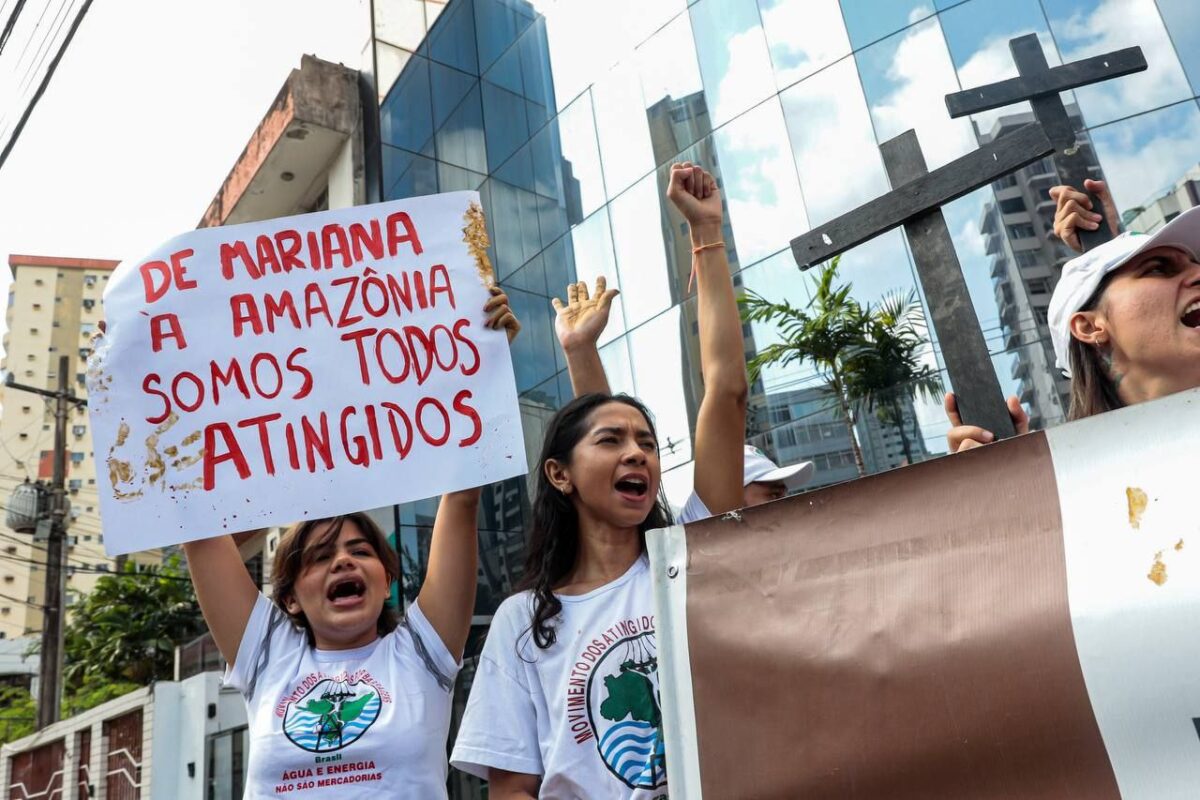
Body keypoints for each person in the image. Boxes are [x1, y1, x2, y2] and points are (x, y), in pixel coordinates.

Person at [450, 163, 748, 798]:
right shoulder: (520, 622)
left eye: (646, 442)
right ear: (558, 475)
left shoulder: (691, 557)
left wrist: (708, 236)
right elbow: (512, 788)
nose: (636, 454)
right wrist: (578, 358)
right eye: (613, 442)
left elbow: (725, 390)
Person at [176, 286, 520, 798]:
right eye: (319, 557)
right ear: (289, 596)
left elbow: (463, 498)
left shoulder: (421, 653)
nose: (342, 562)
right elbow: (199, 530)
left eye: (360, 552)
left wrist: (486, 361)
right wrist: (140, 377)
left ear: (388, 579)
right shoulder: (269, 657)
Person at [945, 182, 1200, 451]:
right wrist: (1012, 481)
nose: (1197, 274)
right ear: (1089, 327)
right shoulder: (1085, 483)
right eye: (1159, 269)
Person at [546, 277, 814, 522]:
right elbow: (727, 391)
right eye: (773, 495)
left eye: (647, 444)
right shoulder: (688, 545)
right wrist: (580, 351)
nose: (637, 455)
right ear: (727, 493)